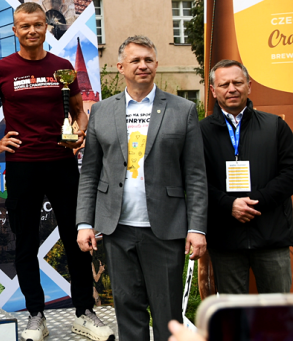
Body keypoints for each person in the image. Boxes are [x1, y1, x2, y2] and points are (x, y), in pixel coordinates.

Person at [0, 2, 113, 341]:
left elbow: (78, 110)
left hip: (62, 165)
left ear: (47, 28)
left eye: (38, 25)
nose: (32, 31)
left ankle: (85, 311)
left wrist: (79, 132)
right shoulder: (1, 69)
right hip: (22, 166)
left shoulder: (61, 67)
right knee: (26, 244)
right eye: (24, 26)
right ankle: (35, 315)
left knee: (77, 242)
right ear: (15, 31)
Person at [76, 35, 208, 340]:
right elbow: (90, 173)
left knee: (167, 313)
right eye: (135, 60)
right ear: (121, 66)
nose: (143, 65)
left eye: (148, 60)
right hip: (117, 229)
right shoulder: (102, 111)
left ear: (157, 65)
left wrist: (197, 228)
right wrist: (84, 222)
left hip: (166, 229)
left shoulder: (182, 109)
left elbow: (196, 175)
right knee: (127, 308)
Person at [199, 59, 293, 294]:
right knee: (233, 317)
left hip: (271, 236)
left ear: (249, 85)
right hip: (226, 239)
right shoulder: (200, 132)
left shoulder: (275, 126)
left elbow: (290, 173)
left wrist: (255, 201)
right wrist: (228, 205)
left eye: (237, 82)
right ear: (213, 90)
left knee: (278, 315)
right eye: (224, 84)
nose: (231, 88)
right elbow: (195, 180)